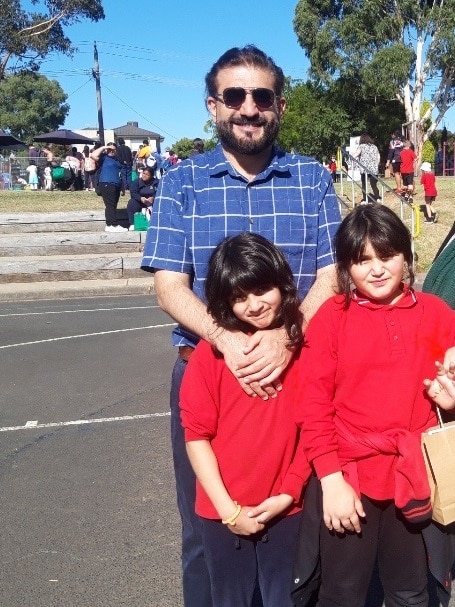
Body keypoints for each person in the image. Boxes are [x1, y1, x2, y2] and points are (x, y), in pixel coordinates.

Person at [141, 44, 341, 607]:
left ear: (279, 104)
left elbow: (332, 274)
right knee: (206, 531)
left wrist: (283, 336)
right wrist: (229, 342)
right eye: (235, 96)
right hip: (207, 375)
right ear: (213, 106)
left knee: (299, 521)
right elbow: (168, 286)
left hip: (297, 374)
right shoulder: (183, 184)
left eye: (261, 96)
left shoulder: (311, 179)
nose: (248, 108)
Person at [294, 204, 455, 607]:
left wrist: (451, 402)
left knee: (411, 590)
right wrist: (330, 480)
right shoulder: (333, 317)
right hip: (350, 476)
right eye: (362, 260)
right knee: (343, 592)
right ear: (347, 266)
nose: (377, 269)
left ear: (406, 256)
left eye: (387, 256)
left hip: (413, 474)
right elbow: (313, 406)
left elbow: (447, 379)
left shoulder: (435, 314)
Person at [180, 232, 311, 607]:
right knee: (230, 597)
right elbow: (197, 436)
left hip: (287, 508)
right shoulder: (210, 357)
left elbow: (312, 431)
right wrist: (228, 510)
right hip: (223, 511)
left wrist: (288, 493)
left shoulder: (300, 351)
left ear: (282, 284)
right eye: (239, 297)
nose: (253, 305)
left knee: (285, 597)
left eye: (262, 290)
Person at [90, 142, 127, 232]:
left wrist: (122, 187)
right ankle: (112, 224)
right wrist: (104, 147)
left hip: (116, 184)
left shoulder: (117, 159)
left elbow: (120, 173)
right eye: (109, 149)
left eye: (113, 149)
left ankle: (110, 224)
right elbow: (93, 155)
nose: (111, 151)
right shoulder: (104, 158)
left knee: (113, 205)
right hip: (106, 184)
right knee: (110, 205)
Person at [353, 134, 380, 203]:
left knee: (364, 184)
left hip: (364, 168)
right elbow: (378, 157)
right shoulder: (375, 147)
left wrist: (351, 157)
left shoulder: (361, 146)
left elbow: (356, 154)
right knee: (373, 184)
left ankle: (365, 199)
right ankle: (377, 198)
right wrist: (376, 165)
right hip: (374, 168)